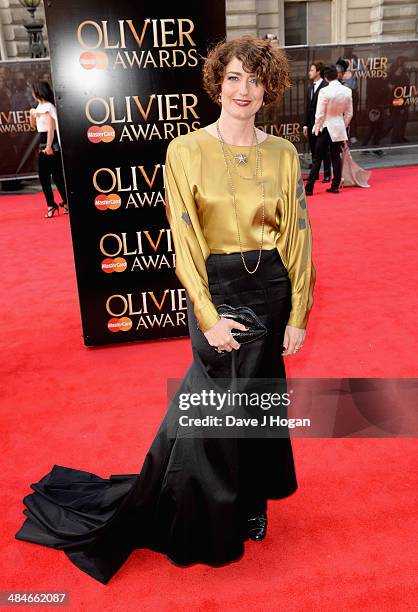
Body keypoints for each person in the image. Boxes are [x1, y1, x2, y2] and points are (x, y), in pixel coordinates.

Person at [15, 35, 316, 585]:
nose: (243, 89)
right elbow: (185, 236)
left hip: (270, 287)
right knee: (214, 408)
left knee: (260, 401)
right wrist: (206, 314)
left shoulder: (283, 153)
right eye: (233, 78)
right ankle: (202, 511)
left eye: (254, 79)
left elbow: (297, 234)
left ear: (268, 87)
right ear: (217, 83)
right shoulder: (186, 150)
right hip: (218, 291)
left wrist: (299, 311)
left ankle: (252, 503)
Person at [305, 64, 353, 195]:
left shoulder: (324, 91)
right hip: (338, 127)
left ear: (326, 77)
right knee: (335, 157)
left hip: (325, 127)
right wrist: (343, 125)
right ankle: (335, 185)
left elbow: (319, 114)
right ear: (337, 75)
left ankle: (309, 187)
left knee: (317, 158)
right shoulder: (347, 91)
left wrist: (316, 128)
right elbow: (349, 114)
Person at [30, 80, 68, 218]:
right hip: (43, 140)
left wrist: (49, 146)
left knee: (48, 176)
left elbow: (51, 128)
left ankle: (53, 205)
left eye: (33, 91)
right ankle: (63, 203)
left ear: (38, 91)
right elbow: (33, 126)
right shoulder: (40, 106)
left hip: (50, 142)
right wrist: (31, 114)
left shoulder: (49, 106)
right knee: (54, 176)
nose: (32, 94)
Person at [303, 61, 331, 183]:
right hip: (310, 124)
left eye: (312, 70)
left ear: (318, 72)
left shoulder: (325, 86)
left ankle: (326, 174)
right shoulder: (310, 87)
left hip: (322, 123)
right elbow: (307, 107)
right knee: (314, 150)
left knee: (324, 150)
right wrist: (305, 125)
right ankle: (314, 175)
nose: (309, 72)